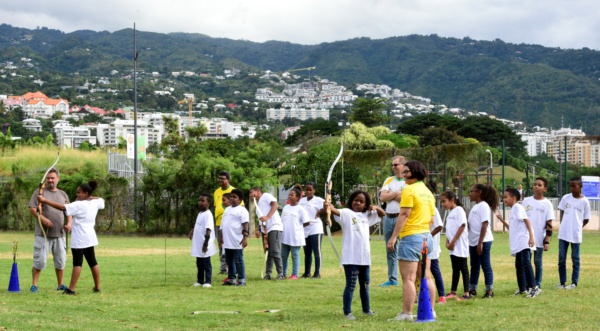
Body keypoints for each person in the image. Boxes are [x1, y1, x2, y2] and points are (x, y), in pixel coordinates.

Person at [387, 160, 437, 322]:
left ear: (415, 173)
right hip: (426, 238)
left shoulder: (409, 190)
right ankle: (431, 311)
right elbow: (431, 219)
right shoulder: (428, 192)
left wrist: (393, 237)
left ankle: (406, 313)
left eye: (407, 172)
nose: (403, 174)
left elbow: (404, 214)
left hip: (411, 238)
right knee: (426, 276)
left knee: (408, 278)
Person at [37, 180, 104, 295]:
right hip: (90, 237)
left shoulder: (78, 205)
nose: (77, 195)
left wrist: (44, 201)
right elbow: (100, 199)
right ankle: (97, 287)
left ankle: (71, 289)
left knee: (77, 263)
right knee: (92, 261)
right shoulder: (95, 202)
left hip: (80, 238)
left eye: (79, 193)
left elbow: (63, 208)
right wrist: (90, 197)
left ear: (86, 193)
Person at [326, 190, 384, 320]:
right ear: (351, 201)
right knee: (351, 285)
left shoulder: (367, 216)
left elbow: (383, 214)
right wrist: (328, 206)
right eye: (355, 200)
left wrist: (375, 207)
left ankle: (366, 309)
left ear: (366, 204)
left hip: (364, 258)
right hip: (351, 258)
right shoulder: (347, 213)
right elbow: (335, 210)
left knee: (365, 285)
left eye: (361, 201)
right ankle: (347, 312)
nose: (358, 203)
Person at [27, 168, 71, 293]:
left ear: (58, 179)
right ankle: (34, 285)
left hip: (60, 234)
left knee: (61, 261)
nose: (50, 180)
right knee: (39, 260)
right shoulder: (39, 192)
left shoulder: (63, 194)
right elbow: (32, 208)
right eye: (48, 178)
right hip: (43, 234)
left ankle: (60, 284)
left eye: (52, 178)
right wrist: (43, 219)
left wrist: (69, 223)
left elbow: (69, 210)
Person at [496, 188, 541, 298]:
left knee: (526, 263)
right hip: (519, 243)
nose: (504, 200)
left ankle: (534, 288)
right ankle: (522, 289)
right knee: (519, 266)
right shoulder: (513, 210)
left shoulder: (518, 207)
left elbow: (527, 221)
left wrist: (531, 237)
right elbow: (512, 228)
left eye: (506, 197)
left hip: (523, 241)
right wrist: (502, 220)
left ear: (513, 198)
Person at [556, 177, 591, 290]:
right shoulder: (565, 198)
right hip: (563, 234)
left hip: (576, 234)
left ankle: (574, 283)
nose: (571, 188)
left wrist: (578, 227)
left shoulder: (585, 201)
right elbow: (561, 212)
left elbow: (586, 219)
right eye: (570, 186)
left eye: (573, 186)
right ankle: (562, 282)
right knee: (561, 258)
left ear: (580, 186)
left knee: (575, 259)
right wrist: (563, 224)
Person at [378, 155, 407, 287]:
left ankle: (407, 278)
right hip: (388, 218)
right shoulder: (389, 180)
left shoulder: (408, 181)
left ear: (403, 165)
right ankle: (393, 279)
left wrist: (392, 194)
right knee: (390, 249)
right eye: (392, 165)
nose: (393, 167)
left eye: (396, 165)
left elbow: (405, 200)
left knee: (405, 249)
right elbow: (383, 197)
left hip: (402, 218)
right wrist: (397, 194)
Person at [522, 177, 554, 289]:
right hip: (526, 238)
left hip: (539, 238)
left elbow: (549, 222)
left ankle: (537, 284)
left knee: (537, 262)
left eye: (539, 185)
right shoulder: (526, 201)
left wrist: (547, 240)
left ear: (545, 188)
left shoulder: (547, 204)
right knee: (526, 262)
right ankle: (527, 284)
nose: (536, 186)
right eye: (535, 184)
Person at [467, 183, 499, 298]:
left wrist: (480, 242)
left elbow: (485, 224)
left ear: (478, 192)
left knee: (485, 265)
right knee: (474, 265)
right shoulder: (475, 206)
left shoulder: (484, 206)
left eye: (471, 191)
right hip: (473, 241)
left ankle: (489, 290)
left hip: (483, 241)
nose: (469, 194)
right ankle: (472, 289)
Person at [440, 191, 470, 300]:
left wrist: (453, 241)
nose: (442, 204)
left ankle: (467, 292)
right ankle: (453, 291)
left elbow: (462, 226)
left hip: (459, 244)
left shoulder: (459, 210)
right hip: (452, 245)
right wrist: (447, 241)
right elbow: (449, 229)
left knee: (463, 268)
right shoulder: (450, 212)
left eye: (444, 201)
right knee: (455, 268)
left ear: (452, 200)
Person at [249, 187, 284, 280]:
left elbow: (275, 205)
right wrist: (258, 229)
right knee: (268, 251)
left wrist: (268, 217)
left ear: (258, 191)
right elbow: (262, 219)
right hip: (265, 230)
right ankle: (268, 273)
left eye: (251, 192)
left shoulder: (266, 196)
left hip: (274, 227)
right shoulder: (257, 206)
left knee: (275, 251)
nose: (250, 195)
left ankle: (281, 273)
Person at [219, 189, 249, 286]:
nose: (232, 199)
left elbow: (245, 225)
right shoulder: (227, 209)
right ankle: (231, 279)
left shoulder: (242, 210)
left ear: (240, 200)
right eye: (231, 197)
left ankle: (241, 280)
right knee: (229, 261)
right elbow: (223, 225)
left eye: (234, 197)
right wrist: (221, 237)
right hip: (227, 241)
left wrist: (245, 238)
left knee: (238, 261)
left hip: (237, 240)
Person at [281, 188, 310, 279]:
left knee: (295, 255)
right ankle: (283, 273)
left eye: (292, 195)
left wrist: (298, 228)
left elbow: (307, 222)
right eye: (289, 194)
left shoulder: (300, 209)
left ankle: (295, 274)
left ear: (297, 197)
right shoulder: (285, 207)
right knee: (283, 256)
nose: (289, 196)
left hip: (295, 236)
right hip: (285, 236)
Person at [189, 194, 217, 288]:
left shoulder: (208, 214)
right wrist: (192, 231)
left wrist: (205, 244)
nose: (200, 203)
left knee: (206, 263)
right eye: (199, 201)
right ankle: (200, 280)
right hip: (198, 243)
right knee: (199, 263)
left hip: (205, 244)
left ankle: (207, 281)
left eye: (203, 201)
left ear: (208, 203)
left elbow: (208, 230)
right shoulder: (200, 213)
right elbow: (199, 226)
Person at [299, 182, 325, 278]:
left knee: (316, 251)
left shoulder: (318, 200)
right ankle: (307, 272)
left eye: (310, 189)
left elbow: (328, 206)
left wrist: (320, 211)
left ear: (314, 190)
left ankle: (317, 273)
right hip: (305, 228)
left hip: (315, 228)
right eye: (307, 189)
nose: (308, 191)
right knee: (307, 252)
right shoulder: (302, 201)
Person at [213, 171, 235, 275]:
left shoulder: (233, 191)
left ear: (228, 180)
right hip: (218, 223)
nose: (220, 180)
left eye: (222, 178)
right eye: (219, 178)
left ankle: (232, 268)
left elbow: (240, 207)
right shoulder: (217, 191)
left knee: (230, 246)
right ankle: (223, 269)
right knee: (221, 245)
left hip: (230, 224)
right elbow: (216, 206)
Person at [430, 204, 446, 304]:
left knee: (435, 270)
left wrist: (428, 236)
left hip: (431, 246)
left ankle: (442, 295)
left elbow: (439, 226)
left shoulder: (432, 208)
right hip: (422, 244)